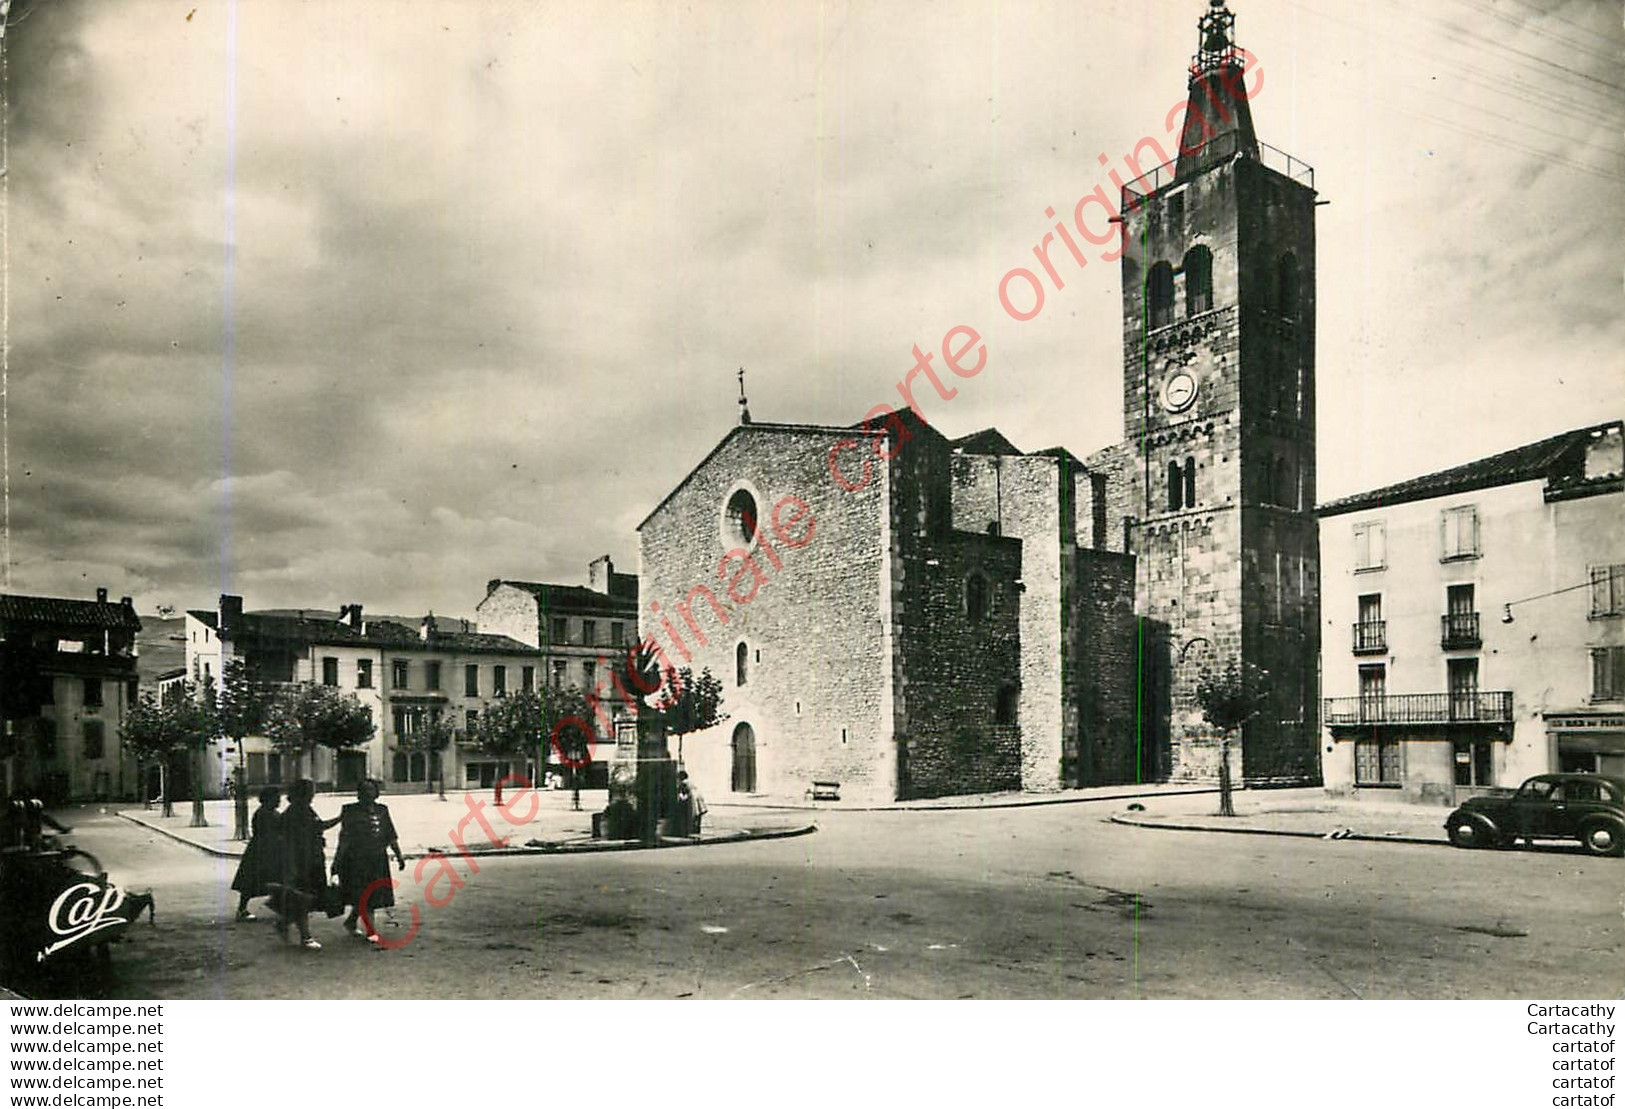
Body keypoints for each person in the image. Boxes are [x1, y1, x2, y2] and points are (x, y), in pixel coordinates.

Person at [332, 779, 404, 945]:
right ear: (359, 793)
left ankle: (351, 921)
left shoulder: (382, 809)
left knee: (370, 894)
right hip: (356, 860)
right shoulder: (349, 810)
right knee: (365, 894)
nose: (368, 793)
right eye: (364, 790)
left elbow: (390, 834)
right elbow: (344, 838)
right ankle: (371, 931)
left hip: (378, 859)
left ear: (376, 792)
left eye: (371, 789)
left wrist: (399, 855)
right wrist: (337, 862)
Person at [275, 779, 328, 951]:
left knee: (306, 897)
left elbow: (318, 826)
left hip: (311, 858)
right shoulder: (296, 812)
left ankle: (284, 923)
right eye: (310, 791)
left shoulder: (304, 809)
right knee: (303, 897)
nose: (313, 795)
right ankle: (305, 937)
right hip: (302, 860)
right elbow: (290, 841)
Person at [229, 786, 282, 921]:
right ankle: (242, 910)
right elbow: (269, 833)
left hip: (264, 850)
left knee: (263, 880)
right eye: (276, 797)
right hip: (263, 851)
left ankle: (279, 906)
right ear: (269, 799)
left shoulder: (269, 812)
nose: (279, 800)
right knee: (253, 881)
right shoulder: (265, 813)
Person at [676, 771, 706, 838]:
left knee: (691, 817)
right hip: (699, 800)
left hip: (693, 801)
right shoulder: (691, 782)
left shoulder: (683, 784)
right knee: (697, 817)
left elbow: (683, 796)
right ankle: (697, 831)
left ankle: (691, 831)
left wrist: (680, 800)